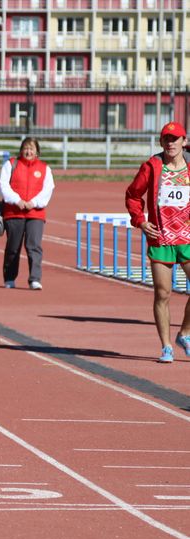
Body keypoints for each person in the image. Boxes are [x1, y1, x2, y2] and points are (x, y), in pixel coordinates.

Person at [125, 121, 190, 363]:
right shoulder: (152, 167)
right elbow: (133, 195)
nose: (170, 143)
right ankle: (166, 347)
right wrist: (140, 221)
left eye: (175, 139)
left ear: (184, 141)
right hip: (161, 238)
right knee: (163, 293)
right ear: (161, 142)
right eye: (166, 139)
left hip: (188, 238)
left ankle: (184, 333)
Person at [0, 137, 54, 290]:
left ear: (37, 152)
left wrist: (33, 203)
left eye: (31, 149)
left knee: (33, 246)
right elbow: (3, 185)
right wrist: (17, 200)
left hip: (35, 214)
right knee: (13, 247)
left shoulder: (45, 168)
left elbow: (48, 189)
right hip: (14, 212)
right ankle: (9, 278)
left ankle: (34, 279)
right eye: (26, 148)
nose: (28, 152)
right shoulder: (11, 164)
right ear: (21, 150)